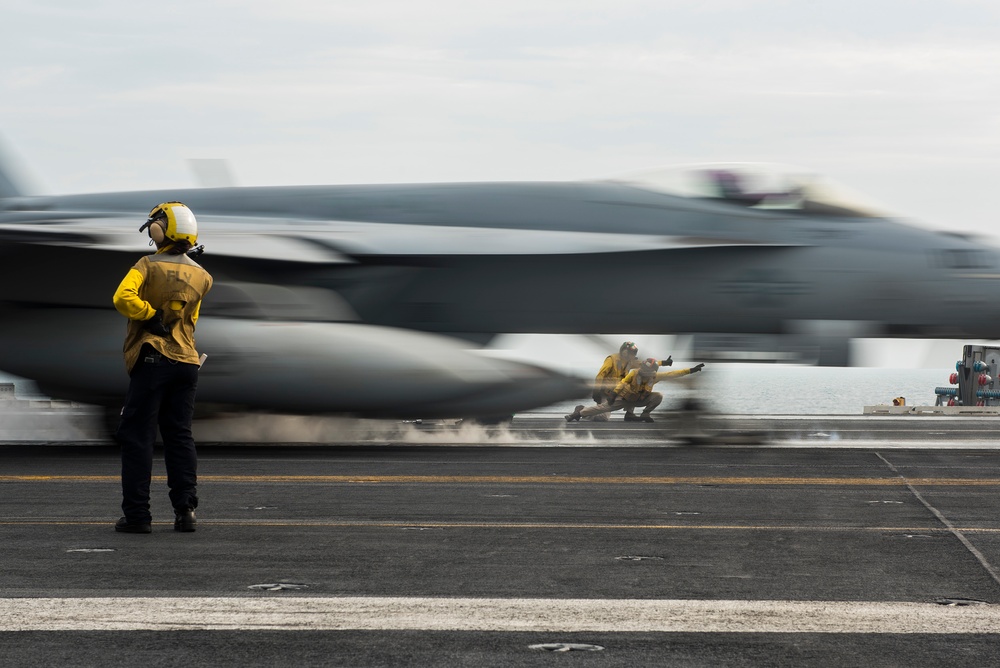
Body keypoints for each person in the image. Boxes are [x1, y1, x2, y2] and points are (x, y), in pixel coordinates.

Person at [112, 202, 213, 534]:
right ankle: (186, 512)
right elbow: (191, 323)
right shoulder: (203, 276)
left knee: (138, 437)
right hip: (187, 362)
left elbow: (123, 298)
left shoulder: (145, 265)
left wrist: (148, 314)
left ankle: (138, 516)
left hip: (153, 359)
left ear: (158, 230)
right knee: (179, 436)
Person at [566, 358, 705, 423]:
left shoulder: (655, 376)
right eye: (644, 369)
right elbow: (622, 383)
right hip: (623, 399)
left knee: (658, 396)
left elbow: (674, 374)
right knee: (602, 409)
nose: (645, 372)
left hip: (639, 400)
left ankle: (645, 414)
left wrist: (691, 370)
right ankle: (579, 413)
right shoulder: (634, 373)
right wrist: (614, 395)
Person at [591, 341, 672, 421]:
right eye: (632, 353)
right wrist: (596, 391)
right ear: (625, 352)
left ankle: (629, 414)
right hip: (606, 393)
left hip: (618, 392)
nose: (634, 356)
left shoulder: (629, 361)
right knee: (602, 418)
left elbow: (645, 364)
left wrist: (664, 363)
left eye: (634, 354)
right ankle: (582, 410)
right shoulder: (611, 359)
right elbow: (600, 375)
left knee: (633, 388)